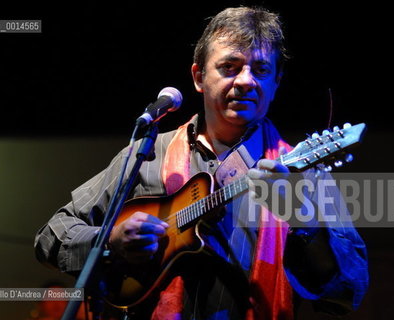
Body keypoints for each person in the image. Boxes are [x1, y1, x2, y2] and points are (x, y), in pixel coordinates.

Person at [35, 6, 368, 320]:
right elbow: (51, 236)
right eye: (229, 67)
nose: (246, 81)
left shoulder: (302, 173)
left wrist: (301, 218)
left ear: (276, 81)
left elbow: (347, 291)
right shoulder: (149, 154)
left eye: (262, 69)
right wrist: (111, 241)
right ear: (198, 76)